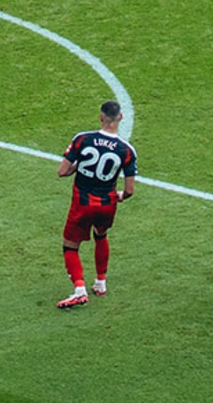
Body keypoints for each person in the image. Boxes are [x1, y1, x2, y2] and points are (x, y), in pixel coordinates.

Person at [56, 101, 137, 310]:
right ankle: (101, 282)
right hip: (107, 203)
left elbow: (62, 171)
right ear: (120, 118)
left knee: (70, 245)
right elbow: (129, 191)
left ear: (101, 117)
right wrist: (118, 195)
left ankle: (79, 290)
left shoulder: (83, 139)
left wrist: (76, 167)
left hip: (82, 203)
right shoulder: (127, 151)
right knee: (100, 234)